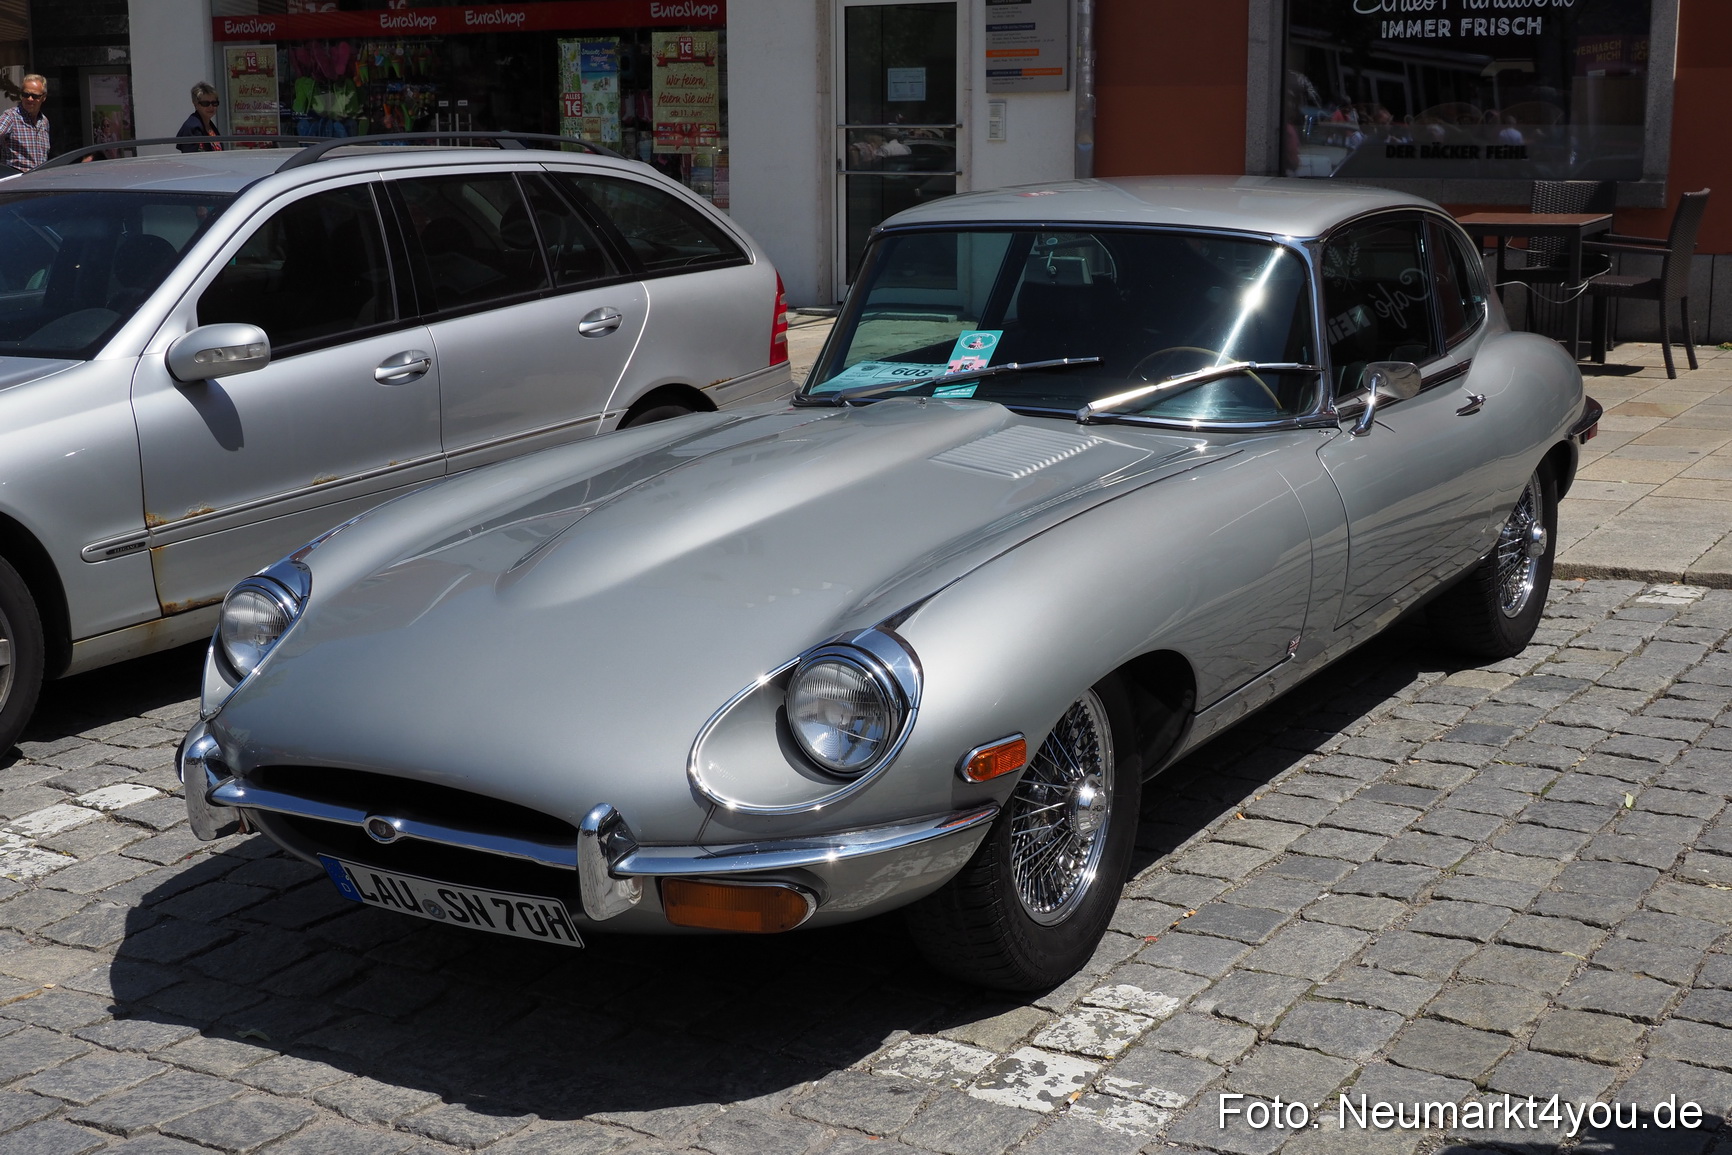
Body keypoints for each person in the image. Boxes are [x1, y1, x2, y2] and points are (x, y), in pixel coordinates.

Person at [0, 74, 50, 173]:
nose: (30, 99)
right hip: (17, 178)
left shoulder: (44, 121)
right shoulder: (11, 117)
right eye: (26, 95)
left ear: (43, 97)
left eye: (35, 96)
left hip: (40, 178)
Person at [176, 82, 223, 152]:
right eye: (205, 103)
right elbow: (191, 156)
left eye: (214, 103)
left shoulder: (210, 126)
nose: (211, 107)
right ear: (196, 105)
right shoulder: (192, 128)